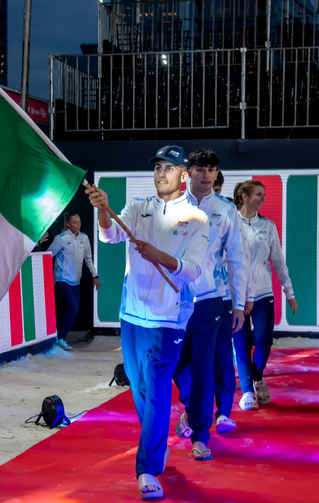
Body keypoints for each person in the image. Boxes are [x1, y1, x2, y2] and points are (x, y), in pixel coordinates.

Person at [85, 145, 209, 501]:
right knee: (141, 392)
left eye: (168, 168)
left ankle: (147, 468)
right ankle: (157, 446)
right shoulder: (138, 207)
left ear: (184, 175)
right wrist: (103, 211)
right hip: (131, 314)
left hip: (168, 319)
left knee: (155, 390)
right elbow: (110, 236)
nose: (160, 174)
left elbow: (195, 270)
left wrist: (163, 258)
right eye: (157, 167)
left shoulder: (197, 218)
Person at [173, 149, 248, 460]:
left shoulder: (226, 210)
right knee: (173, 366)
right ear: (188, 172)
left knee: (204, 367)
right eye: (200, 168)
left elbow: (237, 259)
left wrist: (239, 305)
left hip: (210, 300)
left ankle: (201, 436)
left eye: (211, 169)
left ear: (217, 175)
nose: (205, 174)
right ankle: (190, 409)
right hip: (172, 301)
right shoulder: (171, 205)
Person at [233, 180, 298, 411]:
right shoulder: (231, 223)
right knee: (241, 344)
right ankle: (248, 391)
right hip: (237, 294)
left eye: (264, 195)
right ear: (244, 196)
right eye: (258, 194)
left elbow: (278, 261)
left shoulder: (268, 226)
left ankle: (257, 377)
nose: (263, 199)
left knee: (263, 342)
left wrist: (288, 290)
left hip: (263, 293)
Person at [48, 212, 100, 351]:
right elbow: (48, 255)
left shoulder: (84, 238)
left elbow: (88, 259)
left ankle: (55, 333)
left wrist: (95, 276)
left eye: (79, 222)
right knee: (73, 308)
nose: (78, 225)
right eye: (75, 222)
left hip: (76, 281)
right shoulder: (61, 239)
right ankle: (59, 336)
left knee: (72, 310)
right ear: (67, 224)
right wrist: (50, 277)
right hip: (62, 279)